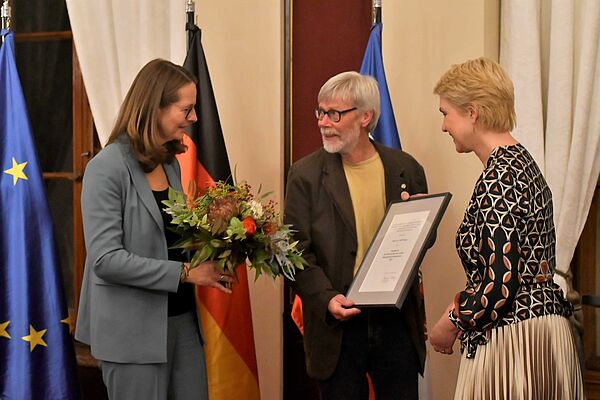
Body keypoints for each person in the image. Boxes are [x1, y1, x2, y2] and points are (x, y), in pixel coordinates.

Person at [75, 59, 233, 400]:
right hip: (130, 334)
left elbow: (169, 239)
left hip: (182, 324)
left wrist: (227, 237)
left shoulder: (169, 162)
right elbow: (106, 260)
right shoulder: (106, 168)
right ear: (154, 107)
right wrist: (188, 272)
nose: (194, 119)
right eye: (186, 109)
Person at [430, 57, 585, 399]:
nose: (444, 126)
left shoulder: (498, 178)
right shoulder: (523, 163)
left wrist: (452, 320)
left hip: (515, 340)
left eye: (446, 113)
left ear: (472, 112)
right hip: (543, 331)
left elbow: (499, 283)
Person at [284, 71, 428, 400]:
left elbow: (419, 246)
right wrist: (325, 299)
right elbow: (291, 252)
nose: (323, 122)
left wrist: (422, 222)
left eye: (335, 113)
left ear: (365, 117)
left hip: (395, 323)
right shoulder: (305, 174)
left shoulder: (406, 168)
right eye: (320, 112)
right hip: (337, 324)